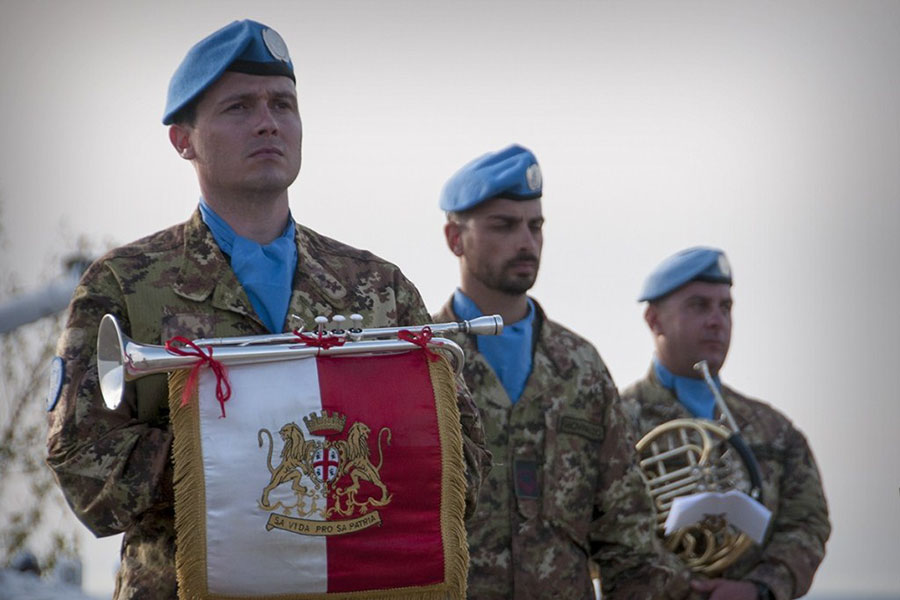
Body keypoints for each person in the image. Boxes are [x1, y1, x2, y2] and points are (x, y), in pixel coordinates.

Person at [45, 20, 489, 599]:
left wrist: (377, 440)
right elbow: (80, 466)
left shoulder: (380, 287)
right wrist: (226, 448)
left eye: (284, 104)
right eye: (238, 108)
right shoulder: (125, 284)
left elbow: (468, 468)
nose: (268, 122)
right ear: (184, 140)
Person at [433, 144, 690, 599]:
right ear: (455, 238)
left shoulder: (581, 368)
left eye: (535, 226)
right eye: (504, 225)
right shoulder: (426, 359)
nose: (526, 242)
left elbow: (627, 537)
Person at [620, 247, 831, 600]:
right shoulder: (615, 420)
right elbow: (601, 530)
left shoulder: (776, 431)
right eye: (699, 306)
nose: (717, 320)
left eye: (725, 307)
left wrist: (759, 587)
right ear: (654, 320)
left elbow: (808, 523)